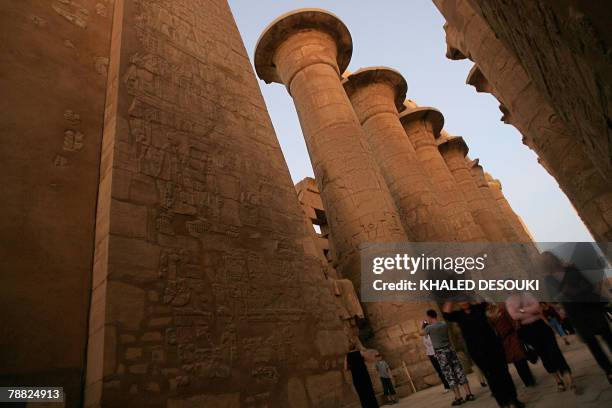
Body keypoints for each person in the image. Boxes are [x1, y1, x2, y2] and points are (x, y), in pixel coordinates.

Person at [541, 251, 612, 384]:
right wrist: (563, 294)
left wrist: (575, 290)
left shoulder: (571, 269)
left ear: (554, 258)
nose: (549, 261)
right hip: (575, 314)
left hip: (589, 307)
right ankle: (608, 370)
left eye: (550, 258)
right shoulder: (549, 279)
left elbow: (589, 285)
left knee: (607, 336)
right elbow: (552, 299)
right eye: (546, 260)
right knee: (593, 345)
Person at [443, 301, 523, 408]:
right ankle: (503, 403)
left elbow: (485, 301)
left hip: (493, 346)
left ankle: (514, 399)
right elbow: (446, 314)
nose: (464, 302)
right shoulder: (459, 315)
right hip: (477, 351)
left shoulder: (478, 308)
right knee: (491, 377)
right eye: (461, 300)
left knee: (504, 373)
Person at [506, 292, 577, 393]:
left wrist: (522, 310)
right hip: (527, 330)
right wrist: (530, 311)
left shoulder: (527, 295)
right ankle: (558, 380)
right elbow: (514, 316)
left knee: (555, 351)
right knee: (544, 355)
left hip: (540, 326)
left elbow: (536, 307)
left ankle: (568, 376)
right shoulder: (509, 301)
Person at [419, 309, 473, 406]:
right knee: (458, 370)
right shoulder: (443, 324)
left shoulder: (429, 328)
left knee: (449, 374)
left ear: (429, 317)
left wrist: (423, 325)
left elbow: (421, 333)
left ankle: (458, 397)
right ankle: (469, 394)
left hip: (440, 353)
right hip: (450, 349)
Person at [487, 303, 536, 387]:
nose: (489, 305)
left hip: (512, 336)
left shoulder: (502, 309)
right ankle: (526, 380)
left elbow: (512, 321)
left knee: (520, 358)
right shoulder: (489, 315)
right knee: (515, 361)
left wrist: (517, 334)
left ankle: (529, 379)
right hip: (504, 341)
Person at [345, 341, 379, 408]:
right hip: (364, 375)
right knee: (369, 391)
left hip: (356, 377)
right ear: (355, 346)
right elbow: (368, 360)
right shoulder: (360, 352)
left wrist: (352, 366)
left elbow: (346, 368)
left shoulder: (347, 356)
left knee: (362, 394)